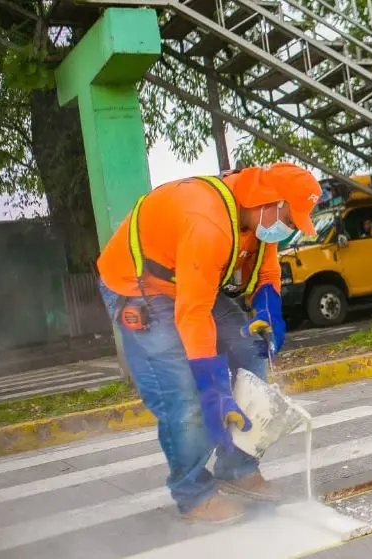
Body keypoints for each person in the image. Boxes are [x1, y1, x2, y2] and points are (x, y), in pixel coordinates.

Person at [96, 162, 321, 523]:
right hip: (140, 287)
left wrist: (267, 312)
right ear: (270, 201)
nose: (290, 229)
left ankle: (237, 468)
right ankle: (193, 493)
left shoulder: (255, 221)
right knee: (183, 391)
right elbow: (193, 315)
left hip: (186, 282)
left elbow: (265, 271)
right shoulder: (209, 222)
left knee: (249, 349)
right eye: (291, 220)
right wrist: (215, 388)